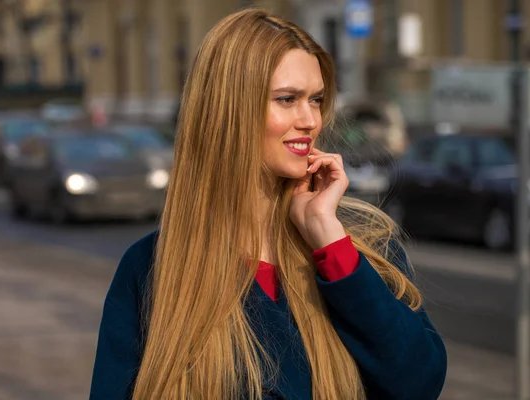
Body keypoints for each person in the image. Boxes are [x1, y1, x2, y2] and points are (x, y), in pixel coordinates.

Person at [89, 8, 447, 400]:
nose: (310, 119)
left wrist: (331, 244)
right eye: (287, 99)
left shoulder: (362, 246)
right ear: (228, 110)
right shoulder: (151, 269)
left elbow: (420, 383)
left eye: (316, 99)